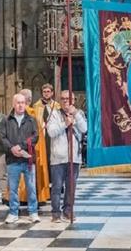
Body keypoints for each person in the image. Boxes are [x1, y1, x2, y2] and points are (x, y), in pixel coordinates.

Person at [46, 90, 87, 223]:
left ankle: (68, 211)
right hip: (58, 157)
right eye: (63, 99)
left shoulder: (79, 114)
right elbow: (51, 132)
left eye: (68, 99)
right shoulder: (54, 114)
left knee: (71, 187)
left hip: (74, 157)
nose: (65, 101)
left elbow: (84, 128)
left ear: (73, 100)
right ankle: (56, 213)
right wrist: (65, 124)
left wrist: (75, 115)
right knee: (57, 187)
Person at [0, 93, 40, 224]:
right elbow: (1, 137)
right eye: (18, 102)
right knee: (13, 188)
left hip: (28, 159)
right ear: (13, 104)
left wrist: (21, 147)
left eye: (23, 102)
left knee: (31, 188)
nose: (21, 105)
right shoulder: (6, 120)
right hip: (12, 160)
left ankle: (33, 212)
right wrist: (11, 148)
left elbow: (35, 136)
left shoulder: (31, 120)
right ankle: (13, 212)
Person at [18, 88, 50, 204]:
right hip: (31, 147)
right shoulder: (32, 112)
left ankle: (25, 197)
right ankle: (31, 197)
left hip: (28, 146)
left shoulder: (32, 112)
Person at [33, 83, 60, 181]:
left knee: (54, 159)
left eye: (48, 92)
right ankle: (44, 183)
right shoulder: (36, 106)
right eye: (44, 92)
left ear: (52, 93)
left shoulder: (56, 106)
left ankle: (56, 183)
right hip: (42, 136)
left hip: (54, 137)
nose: (46, 94)